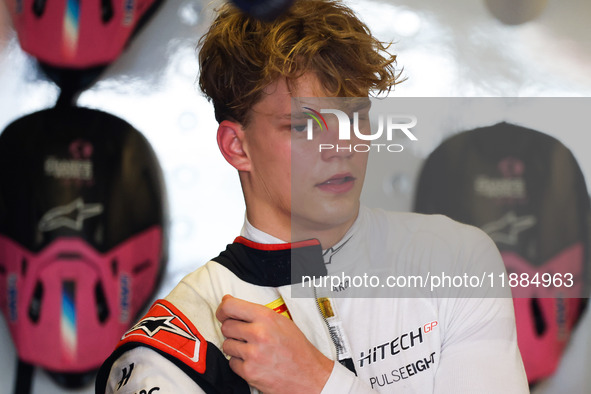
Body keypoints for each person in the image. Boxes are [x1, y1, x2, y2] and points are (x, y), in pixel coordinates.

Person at [96, 0, 529, 392]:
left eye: (356, 116)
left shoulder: (455, 259)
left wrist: (319, 384)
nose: (342, 145)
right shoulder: (174, 350)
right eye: (304, 126)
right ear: (236, 147)